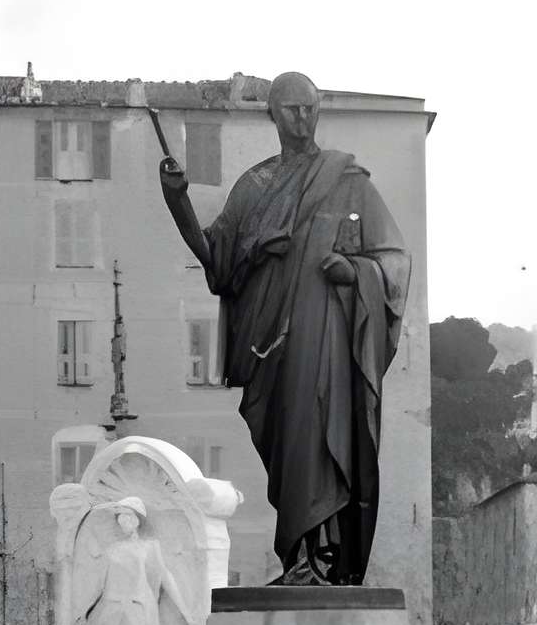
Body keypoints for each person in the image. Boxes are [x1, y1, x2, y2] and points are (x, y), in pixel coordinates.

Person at [158, 71, 413, 585]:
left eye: (311, 108)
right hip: (269, 345)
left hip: (328, 343)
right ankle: (299, 559)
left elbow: (393, 259)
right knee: (288, 448)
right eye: (293, 109)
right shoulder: (255, 186)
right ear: (273, 114)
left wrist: (355, 271)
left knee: (321, 438)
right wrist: (177, 202)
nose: (304, 119)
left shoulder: (348, 179)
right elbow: (218, 262)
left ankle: (320, 561)